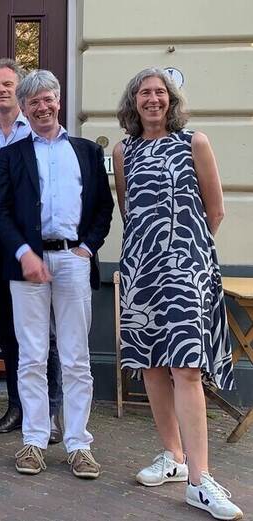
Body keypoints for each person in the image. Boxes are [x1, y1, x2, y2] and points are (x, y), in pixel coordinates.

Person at [114, 68, 242, 520]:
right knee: (151, 367)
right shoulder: (122, 151)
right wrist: (151, 254)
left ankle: (199, 480)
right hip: (142, 270)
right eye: (144, 93)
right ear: (133, 101)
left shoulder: (194, 143)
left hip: (187, 269)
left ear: (171, 100)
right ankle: (173, 456)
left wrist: (185, 253)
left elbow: (216, 209)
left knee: (186, 369)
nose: (152, 99)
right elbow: (129, 210)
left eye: (160, 92)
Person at [0, 69, 114, 479]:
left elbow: (103, 209)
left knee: (77, 358)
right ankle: (34, 440)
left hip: (73, 261)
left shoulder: (86, 152)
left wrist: (86, 249)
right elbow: (2, 212)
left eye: (48, 99)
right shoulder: (11, 155)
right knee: (31, 356)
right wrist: (24, 252)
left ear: (58, 101)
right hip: (26, 263)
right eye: (34, 102)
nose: (42, 107)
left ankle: (79, 444)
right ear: (24, 109)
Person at [0, 59, 64, 442]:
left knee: (48, 331)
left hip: (38, 241)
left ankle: (53, 410)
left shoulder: (44, 132)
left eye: (8, 84)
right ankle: (17, 405)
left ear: (20, 90)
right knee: (9, 327)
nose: (1, 91)